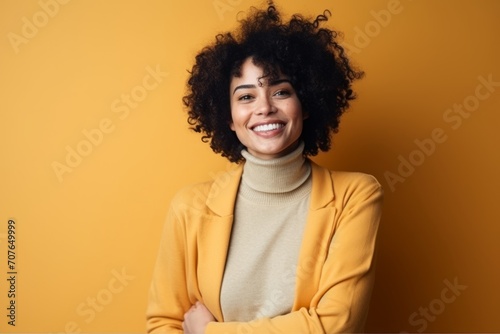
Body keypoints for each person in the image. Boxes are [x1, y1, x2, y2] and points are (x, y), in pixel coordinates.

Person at [146, 2, 383, 333]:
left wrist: (208, 332)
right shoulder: (189, 208)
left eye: (281, 91)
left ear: (307, 102)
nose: (265, 108)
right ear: (228, 118)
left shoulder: (354, 196)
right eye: (246, 97)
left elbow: (336, 326)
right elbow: (163, 323)